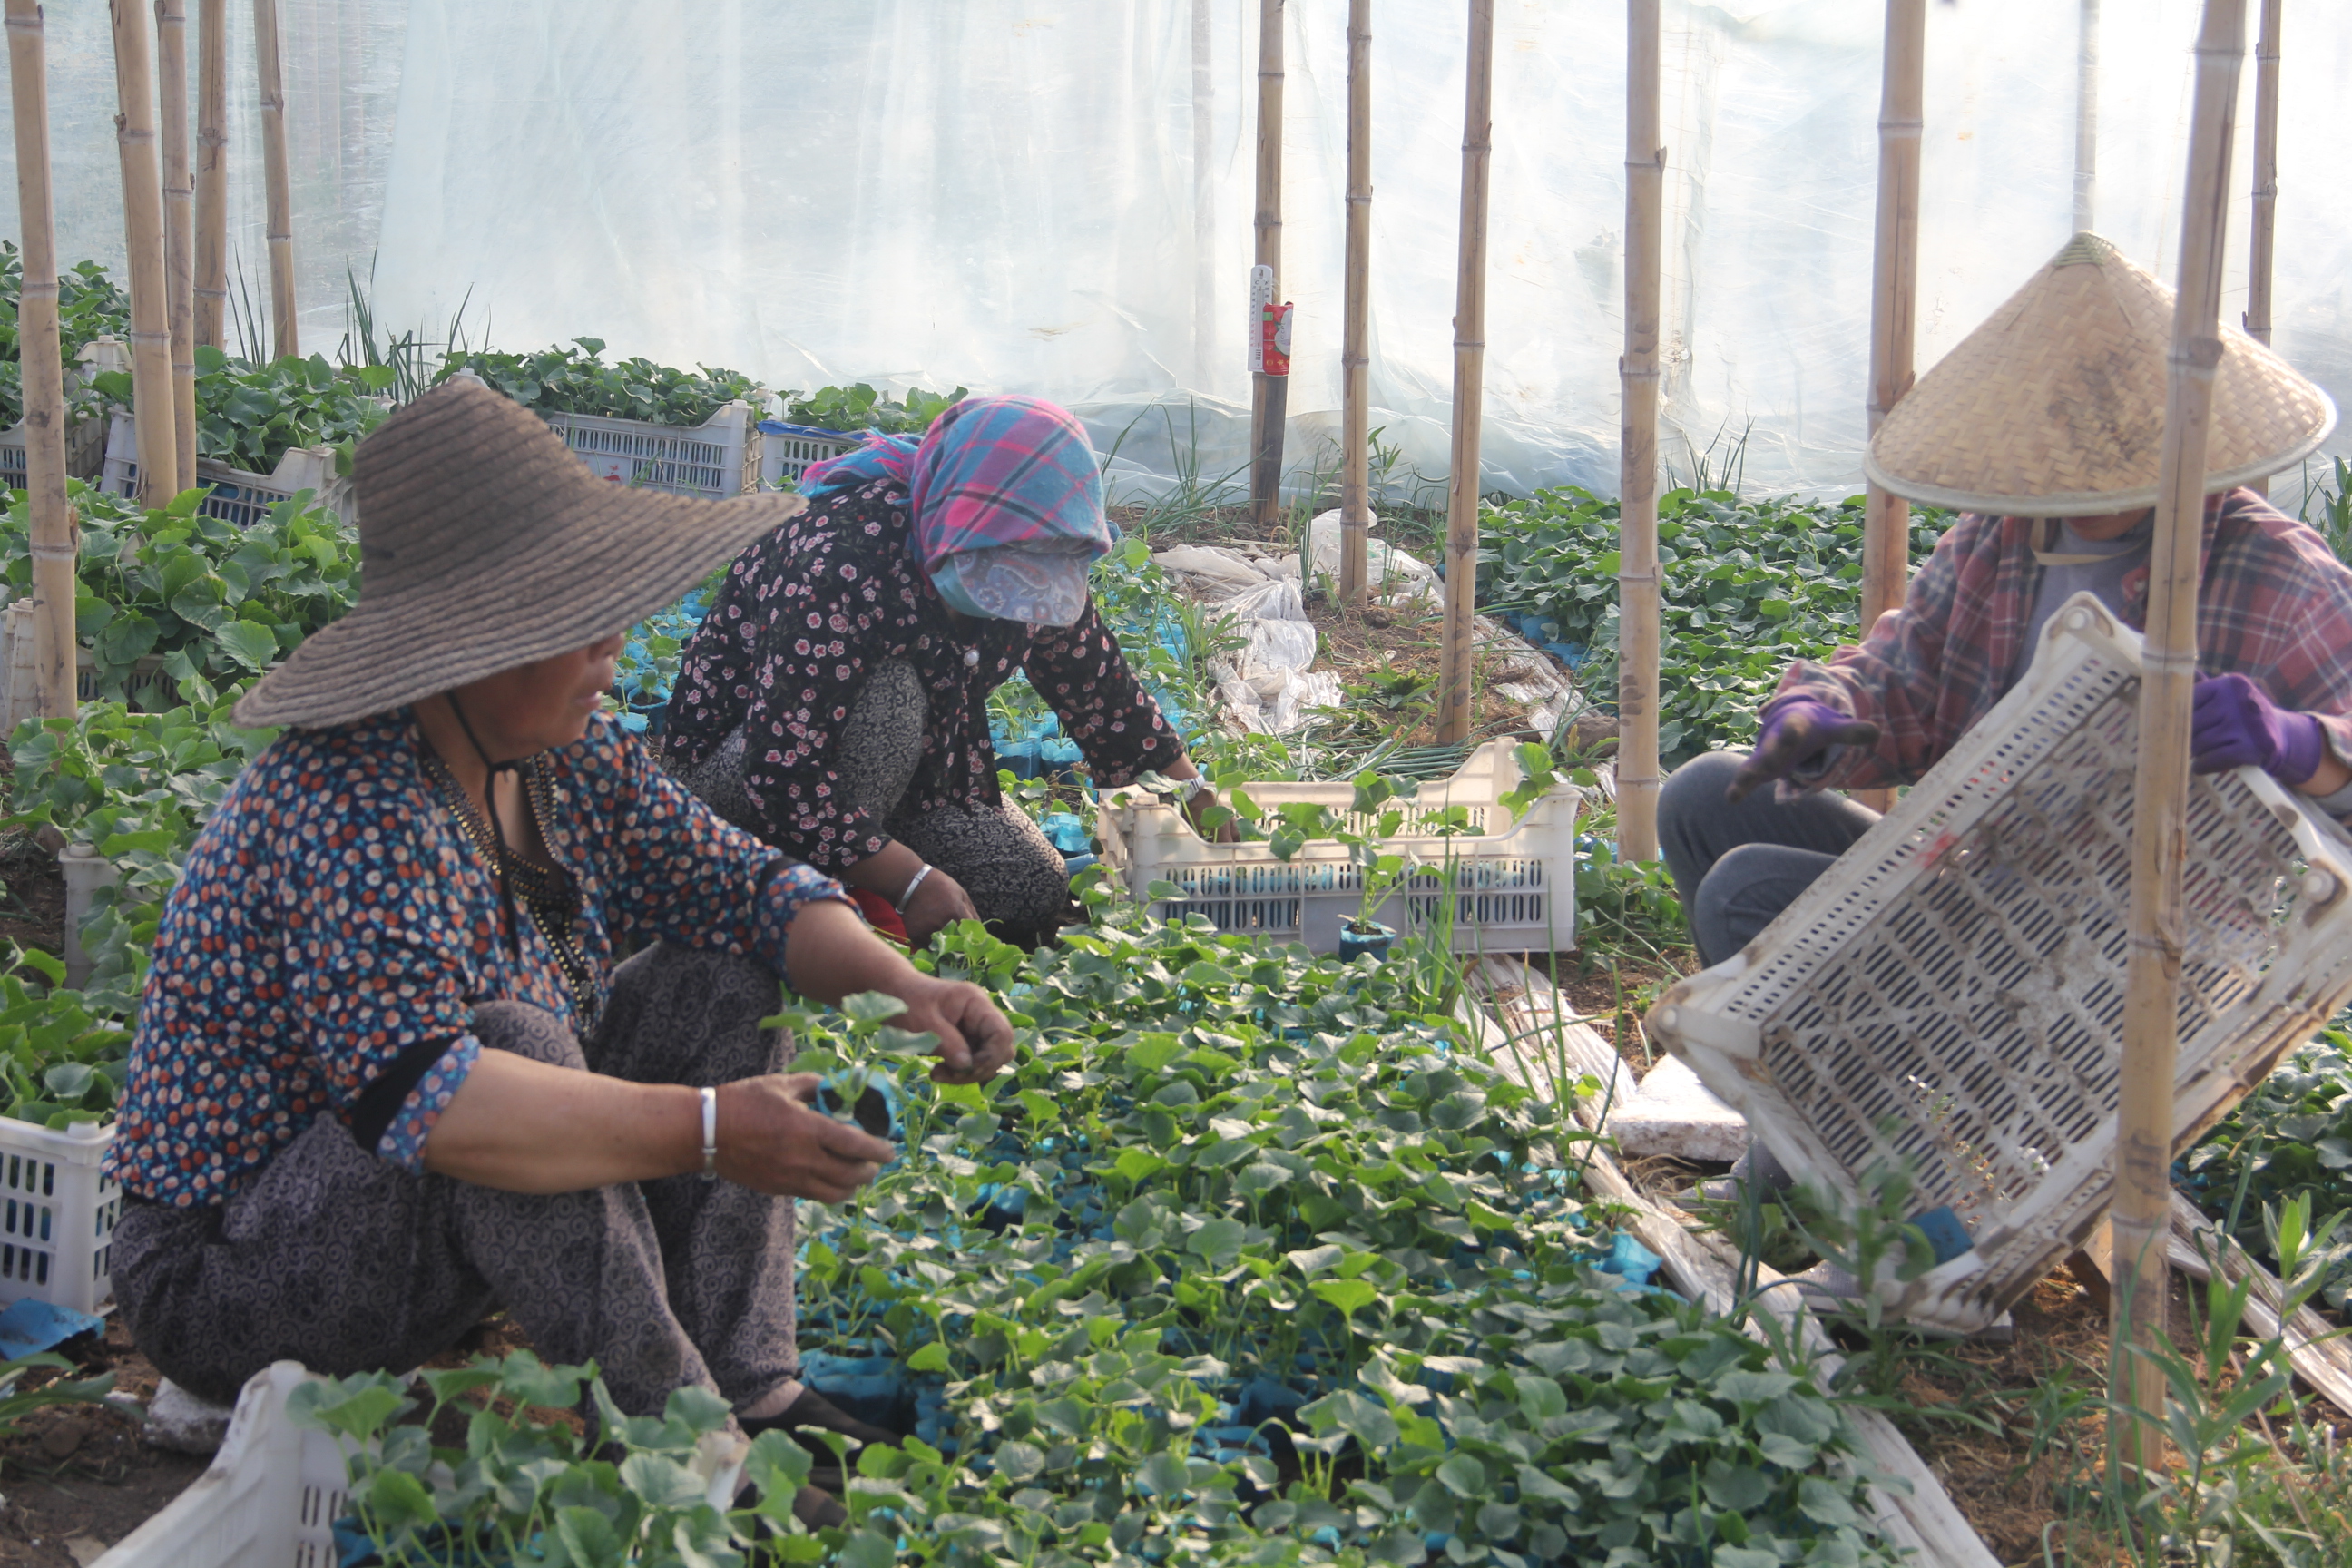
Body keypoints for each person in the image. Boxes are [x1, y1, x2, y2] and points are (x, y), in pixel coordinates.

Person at [105, 381, 1014, 1527]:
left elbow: (752, 888)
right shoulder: (350, 795)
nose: (610, 649)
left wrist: (906, 985)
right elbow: (433, 1100)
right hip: (236, 1270)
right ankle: (686, 1446)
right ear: (467, 642)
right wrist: (715, 1130)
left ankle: (751, 1385)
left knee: (717, 976)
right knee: (510, 1047)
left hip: (409, 1230)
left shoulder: (561, 757)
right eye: (573, 621)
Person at [1661, 232, 2347, 975]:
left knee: (1746, 895)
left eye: (2111, 446)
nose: (2082, 474)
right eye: (2063, 436)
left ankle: (1855, 1087)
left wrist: (2302, 743)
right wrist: (1822, 715)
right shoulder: (2003, 537)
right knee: (1702, 796)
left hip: (2132, 952)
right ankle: (1851, 1071)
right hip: (1977, 881)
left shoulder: (2275, 571)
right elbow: (1904, 680)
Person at [662, 394, 1227, 951]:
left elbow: (1102, 695)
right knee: (890, 698)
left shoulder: (1041, 556)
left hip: (908, 774)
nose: (1018, 587)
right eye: (1000, 559)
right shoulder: (841, 557)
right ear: (952, 516)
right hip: (745, 789)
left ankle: (867, 872)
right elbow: (780, 768)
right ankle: (824, 904)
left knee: (1026, 885)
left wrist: (1195, 793)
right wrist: (910, 880)